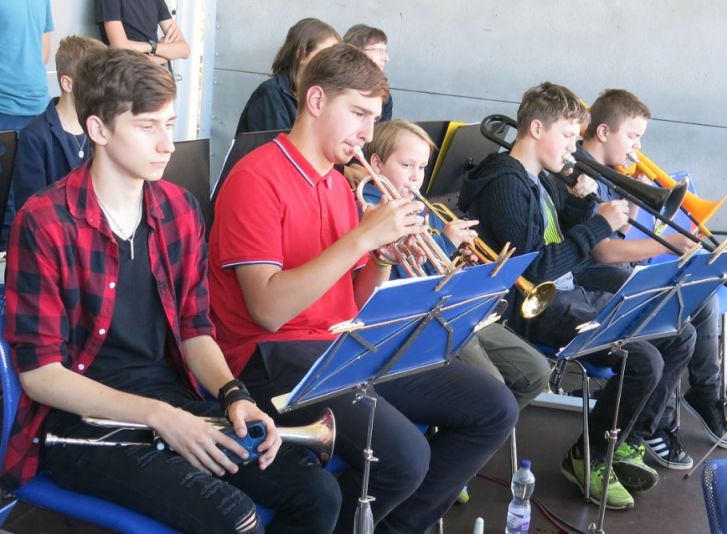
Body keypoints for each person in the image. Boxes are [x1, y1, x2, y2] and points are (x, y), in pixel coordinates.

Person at [1, 48, 340, 533]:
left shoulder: (179, 209)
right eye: (147, 126)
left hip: (169, 402)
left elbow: (195, 330)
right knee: (235, 518)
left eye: (170, 124)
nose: (167, 144)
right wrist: (158, 415)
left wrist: (234, 395)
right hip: (78, 424)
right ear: (98, 130)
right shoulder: (45, 221)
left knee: (317, 494)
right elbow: (40, 377)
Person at [209, 44, 518, 533]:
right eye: (358, 113)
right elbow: (267, 309)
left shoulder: (337, 185)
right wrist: (361, 238)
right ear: (316, 101)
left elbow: (351, 303)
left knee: (495, 406)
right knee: (406, 458)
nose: (367, 133)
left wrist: (379, 258)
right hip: (268, 356)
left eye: (373, 118)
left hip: (336, 345)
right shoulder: (256, 178)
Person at [458, 82, 696, 510]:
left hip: (568, 288)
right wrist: (599, 225)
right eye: (568, 136)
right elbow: (536, 270)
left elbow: (559, 236)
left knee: (679, 332)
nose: (574, 147)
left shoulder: (540, 177)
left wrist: (581, 203)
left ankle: (627, 439)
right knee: (643, 359)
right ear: (536, 129)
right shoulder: (505, 184)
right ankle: (590, 457)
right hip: (533, 306)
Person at [578, 89, 727, 470]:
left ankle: (700, 395)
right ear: (603, 132)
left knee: (702, 296)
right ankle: (656, 420)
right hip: (591, 279)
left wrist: (634, 198)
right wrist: (668, 245)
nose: (638, 147)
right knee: (683, 316)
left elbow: (619, 233)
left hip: (612, 271)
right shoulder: (583, 174)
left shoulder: (610, 172)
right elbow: (603, 251)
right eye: (633, 136)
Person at [360, 119, 551, 407]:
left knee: (536, 371)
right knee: (493, 389)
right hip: (419, 321)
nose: (415, 177)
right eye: (407, 165)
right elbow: (399, 282)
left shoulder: (423, 209)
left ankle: (484, 426)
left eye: (422, 167)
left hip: (454, 311)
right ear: (376, 163)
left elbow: (440, 270)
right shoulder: (370, 210)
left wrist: (461, 261)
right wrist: (447, 243)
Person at [12, 36, 106, 212]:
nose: (103, 90)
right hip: (53, 226)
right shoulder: (35, 135)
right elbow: (30, 208)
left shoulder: (103, 129)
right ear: (67, 84)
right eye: (94, 82)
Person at [0, 0, 54, 248]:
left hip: (39, 107)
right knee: (8, 207)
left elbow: (43, 49)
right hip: (5, 108)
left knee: (36, 201)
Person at [235, 18, 340, 135]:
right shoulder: (270, 95)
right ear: (302, 55)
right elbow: (277, 145)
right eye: (325, 55)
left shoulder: (318, 97)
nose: (332, 64)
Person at [95, 0, 190, 66]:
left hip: (153, 75)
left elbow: (184, 49)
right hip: (125, 75)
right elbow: (120, 48)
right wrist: (161, 57)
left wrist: (151, 47)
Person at [343, 24, 393, 122]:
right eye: (379, 51)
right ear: (356, 52)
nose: (386, 58)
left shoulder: (384, 96)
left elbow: (382, 131)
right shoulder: (334, 89)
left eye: (385, 51)